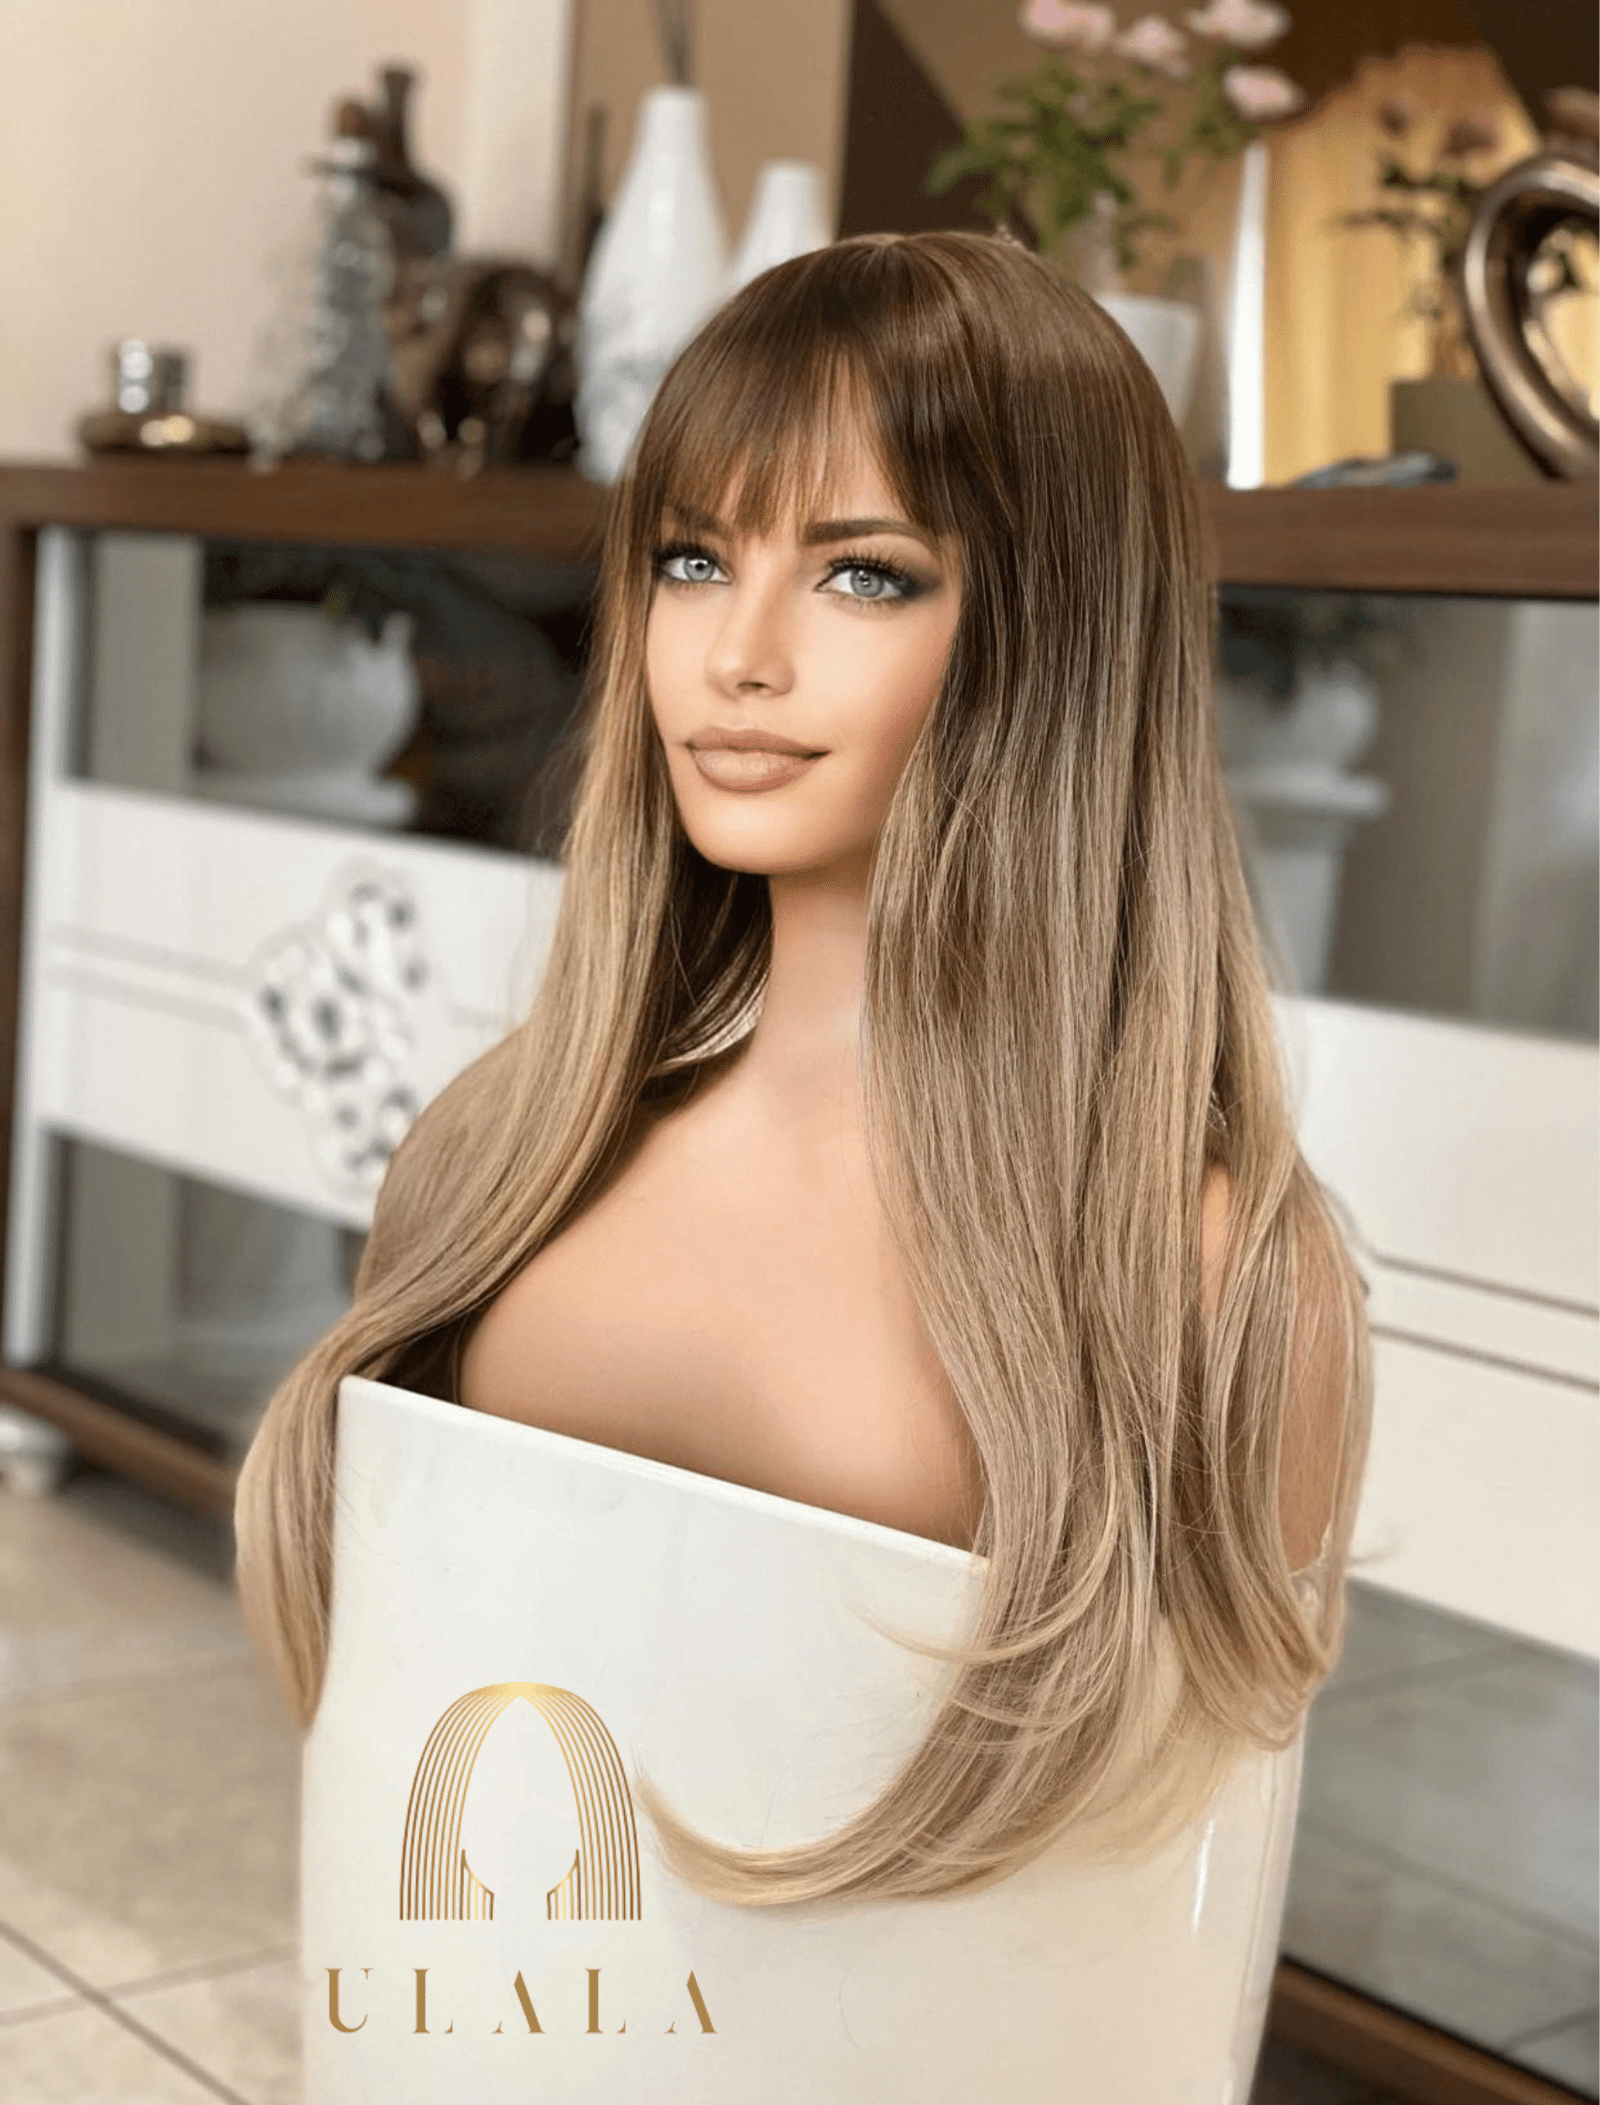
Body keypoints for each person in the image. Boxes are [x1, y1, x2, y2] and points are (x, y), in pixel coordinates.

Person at [234, 229, 1372, 1908]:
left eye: (865, 575)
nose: (737, 654)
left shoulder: (1217, 1277)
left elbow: (1154, 1920)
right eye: (694, 561)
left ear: (1058, 639)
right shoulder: (497, 1150)